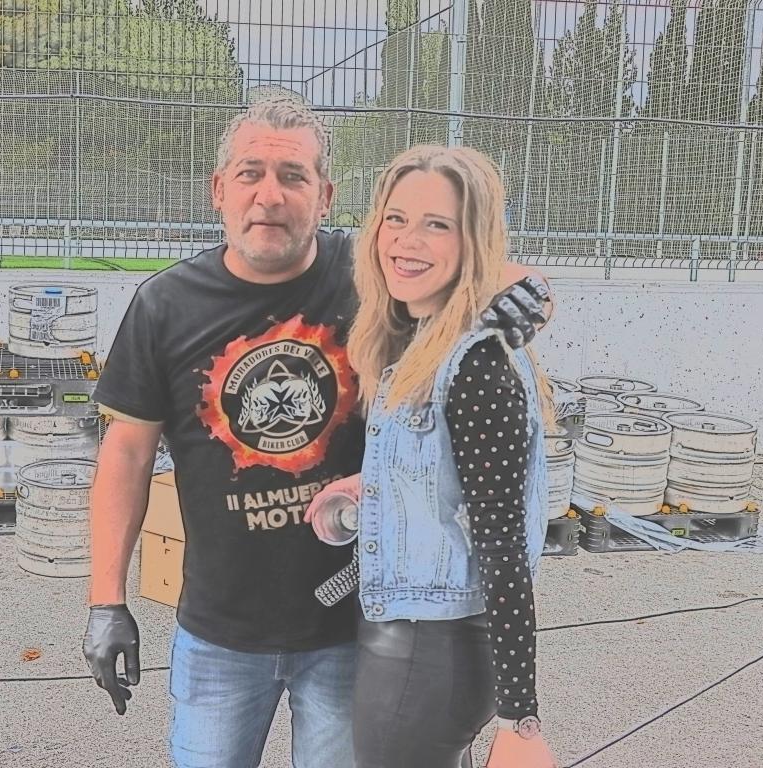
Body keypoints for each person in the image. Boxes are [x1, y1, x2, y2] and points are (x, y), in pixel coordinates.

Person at [81, 99, 552, 767]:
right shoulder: (163, 305)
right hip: (218, 634)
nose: (269, 196)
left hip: (352, 632)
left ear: (325, 195)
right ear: (219, 190)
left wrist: (528, 290)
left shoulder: (372, 277)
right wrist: (106, 601)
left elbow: (465, 264)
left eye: (293, 176)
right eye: (250, 173)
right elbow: (127, 455)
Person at [306, 145, 558, 768]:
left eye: (437, 224)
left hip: (426, 653)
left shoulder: (474, 363)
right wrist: (375, 485)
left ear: (473, 242)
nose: (407, 240)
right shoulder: (424, 339)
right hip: (423, 645)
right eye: (396, 219)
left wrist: (520, 720)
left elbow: (501, 543)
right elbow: (449, 480)